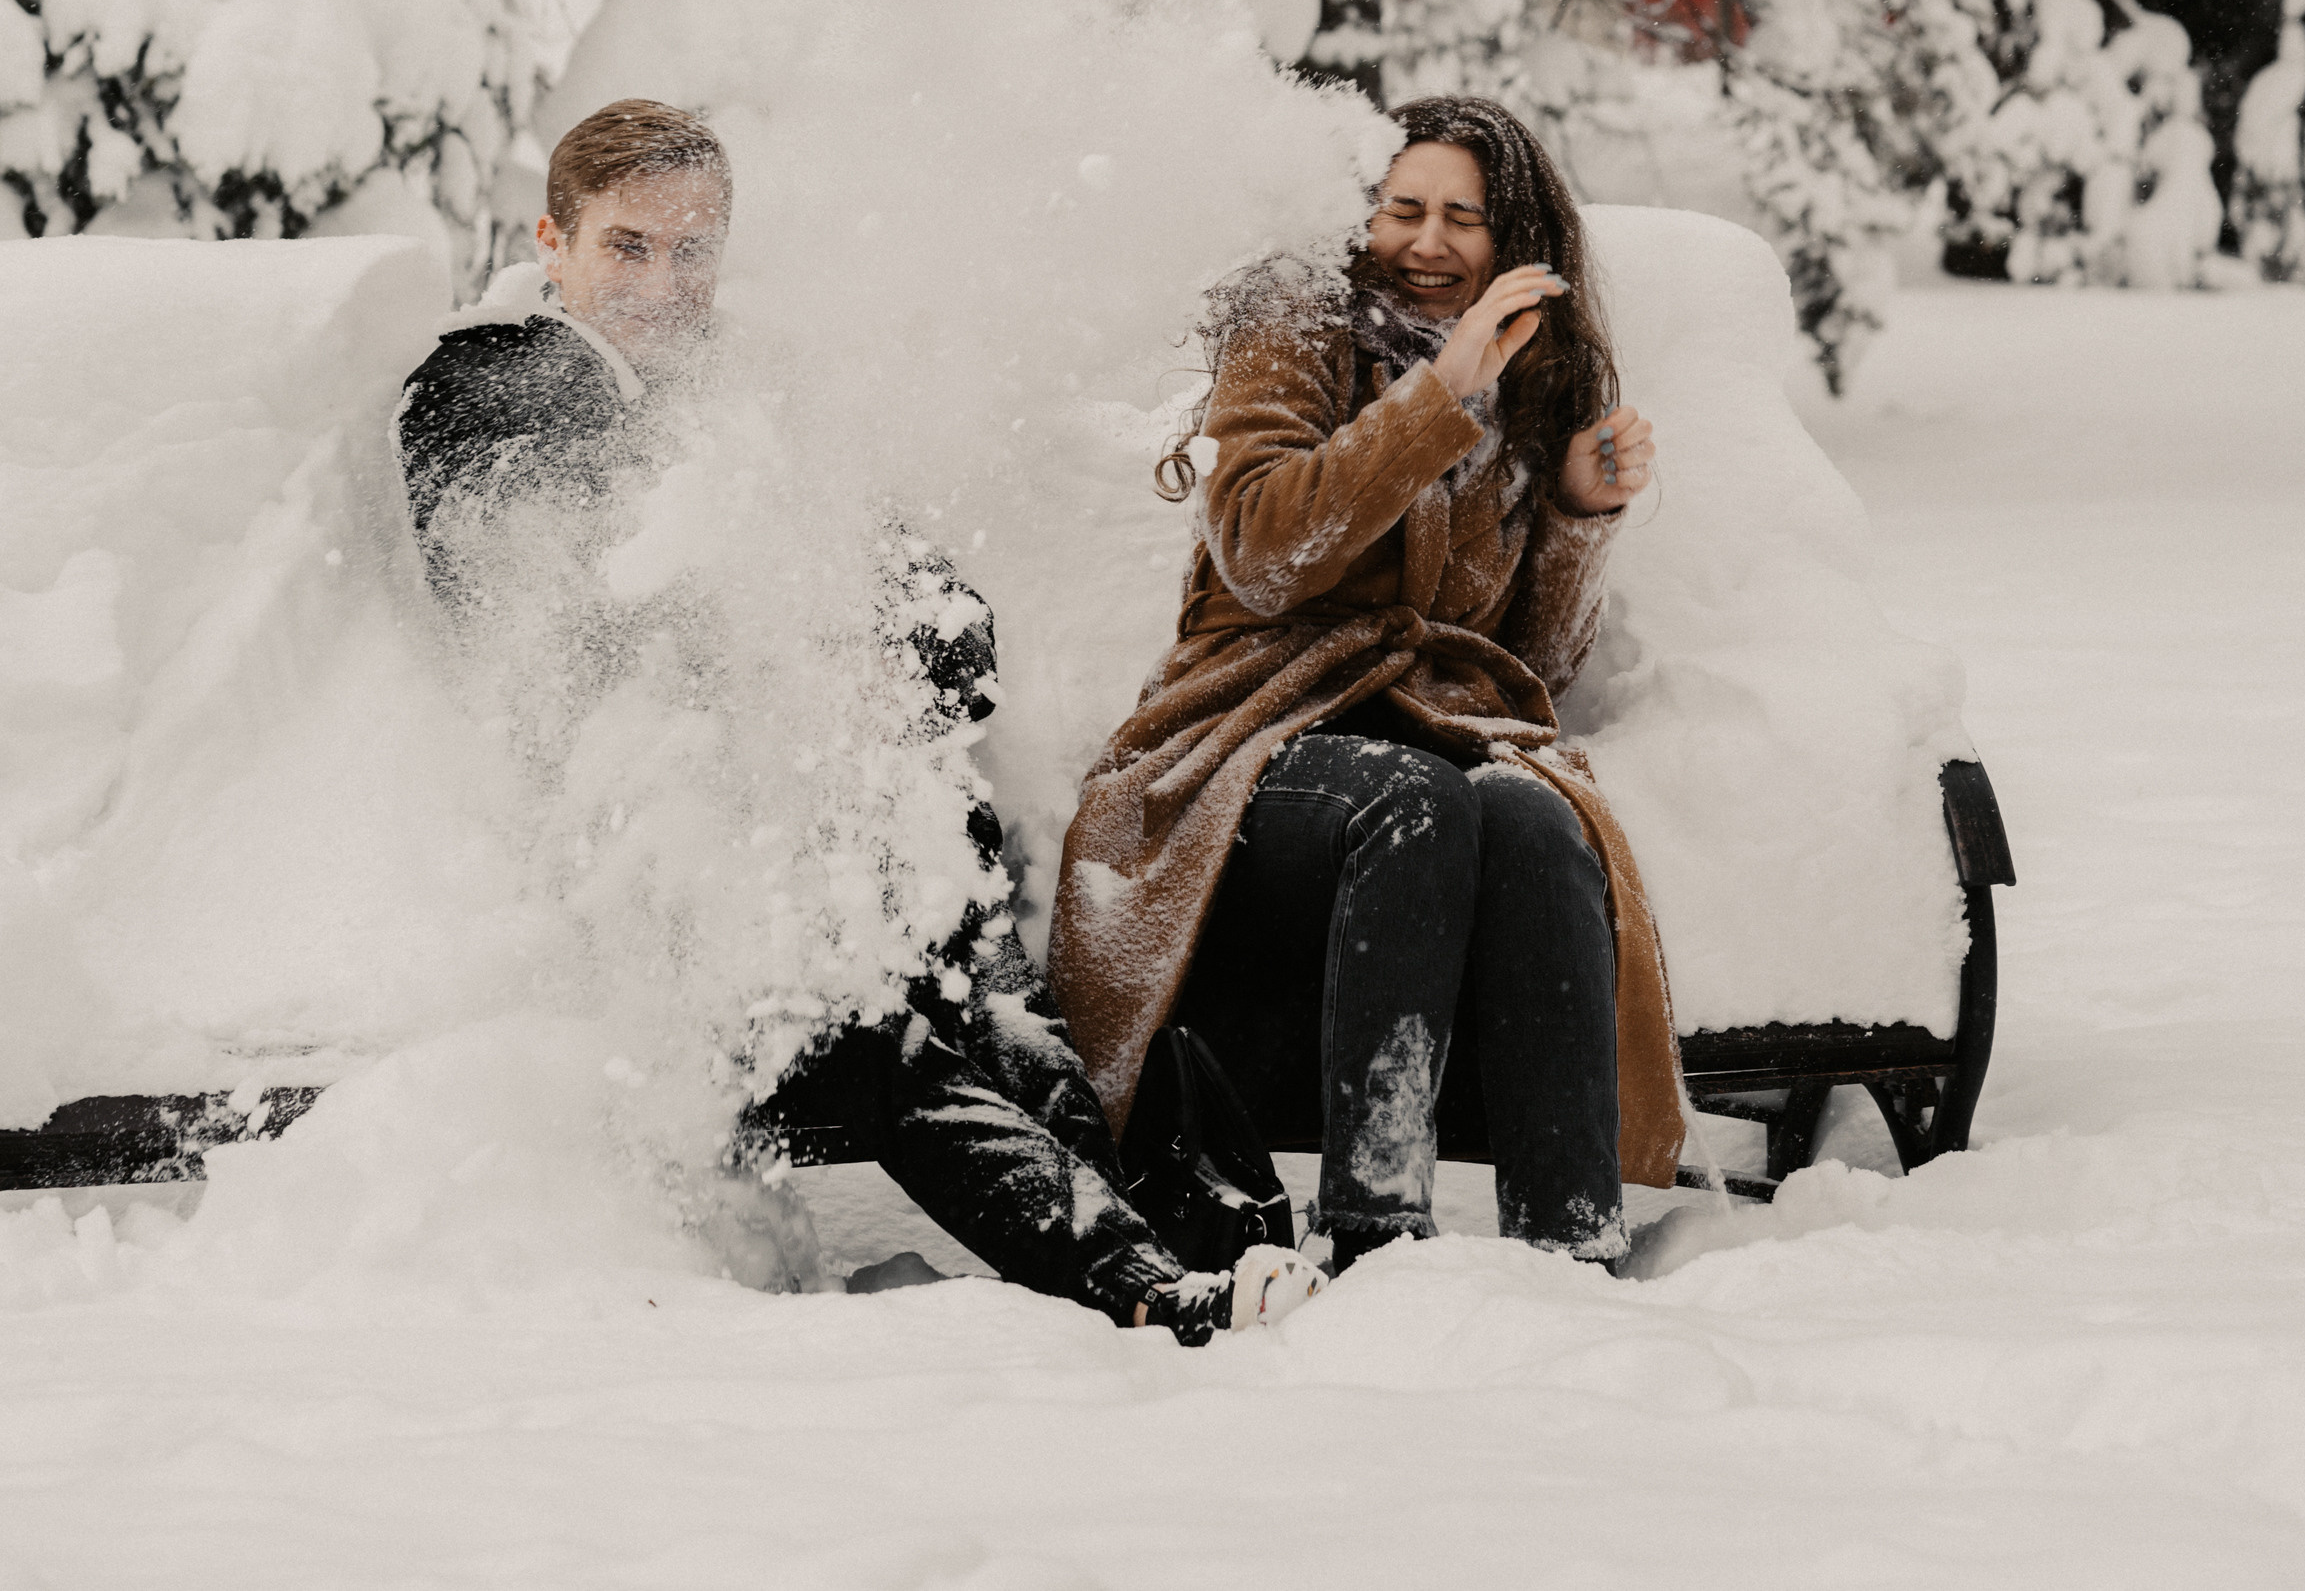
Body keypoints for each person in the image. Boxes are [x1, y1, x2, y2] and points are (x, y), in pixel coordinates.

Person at [396, 95, 1322, 1345]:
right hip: (652, 869)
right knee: (880, 1034)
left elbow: (927, 598)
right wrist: (752, 608)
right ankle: (1147, 1288)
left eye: (694, 250)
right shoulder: (484, 377)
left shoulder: (759, 388)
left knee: (1002, 1010)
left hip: (837, 825)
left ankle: (1235, 1247)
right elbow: (543, 590)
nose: (666, 283)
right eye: (629, 246)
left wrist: (905, 634)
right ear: (552, 240)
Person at [1047, 95, 1689, 1272]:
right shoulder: (1295, 320)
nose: (1430, 243)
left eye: (1464, 218)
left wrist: (1575, 515)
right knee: (1418, 801)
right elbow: (1262, 547)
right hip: (1247, 735)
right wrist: (1435, 399)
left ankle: (1570, 1243)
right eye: (1404, 209)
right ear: (1360, 213)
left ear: (1516, 238)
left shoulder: (1528, 373)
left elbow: (1527, 665)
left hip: (1429, 732)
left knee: (1537, 817)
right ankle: (1376, 1231)